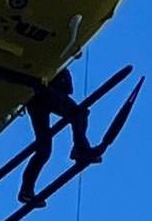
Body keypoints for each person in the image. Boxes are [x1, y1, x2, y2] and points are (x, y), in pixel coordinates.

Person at [18, 69, 98, 207]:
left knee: (44, 149)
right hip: (41, 94)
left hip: (39, 96)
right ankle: (80, 149)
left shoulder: (61, 72)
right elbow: (68, 90)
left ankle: (26, 190)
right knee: (79, 114)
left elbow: (68, 89)